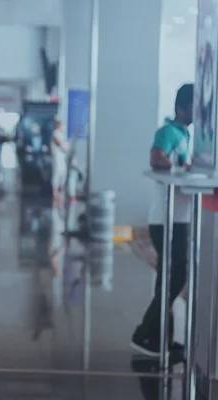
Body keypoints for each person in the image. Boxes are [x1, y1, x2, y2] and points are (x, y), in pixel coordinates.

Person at [131, 83, 194, 357]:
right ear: (182, 107)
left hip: (180, 216)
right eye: (194, 106)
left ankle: (160, 339)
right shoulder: (168, 132)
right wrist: (183, 168)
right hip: (166, 218)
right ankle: (144, 333)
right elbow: (157, 158)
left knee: (168, 277)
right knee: (176, 274)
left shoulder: (186, 134)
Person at [50, 118, 69, 202]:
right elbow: (62, 145)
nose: (64, 127)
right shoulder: (56, 134)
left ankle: (61, 193)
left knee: (63, 173)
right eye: (63, 126)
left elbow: (66, 146)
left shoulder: (62, 135)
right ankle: (55, 193)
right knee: (57, 173)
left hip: (62, 157)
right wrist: (64, 145)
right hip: (57, 157)